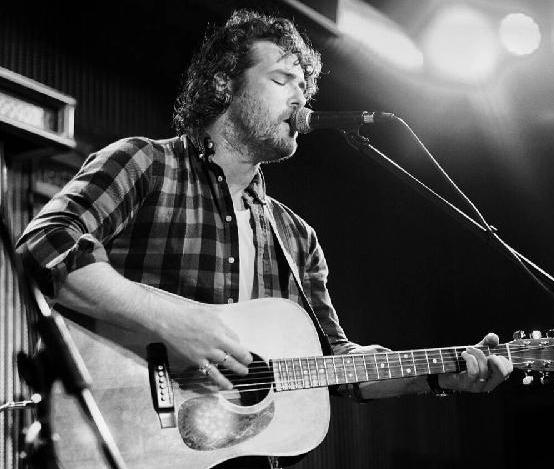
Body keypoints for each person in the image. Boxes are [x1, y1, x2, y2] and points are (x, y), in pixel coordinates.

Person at [17, 9, 512, 467]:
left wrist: (438, 374)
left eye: (304, 86)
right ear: (223, 83)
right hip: (117, 441)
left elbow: (332, 364)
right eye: (281, 79)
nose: (300, 99)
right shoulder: (146, 163)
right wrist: (174, 321)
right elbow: (44, 245)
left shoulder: (296, 237)